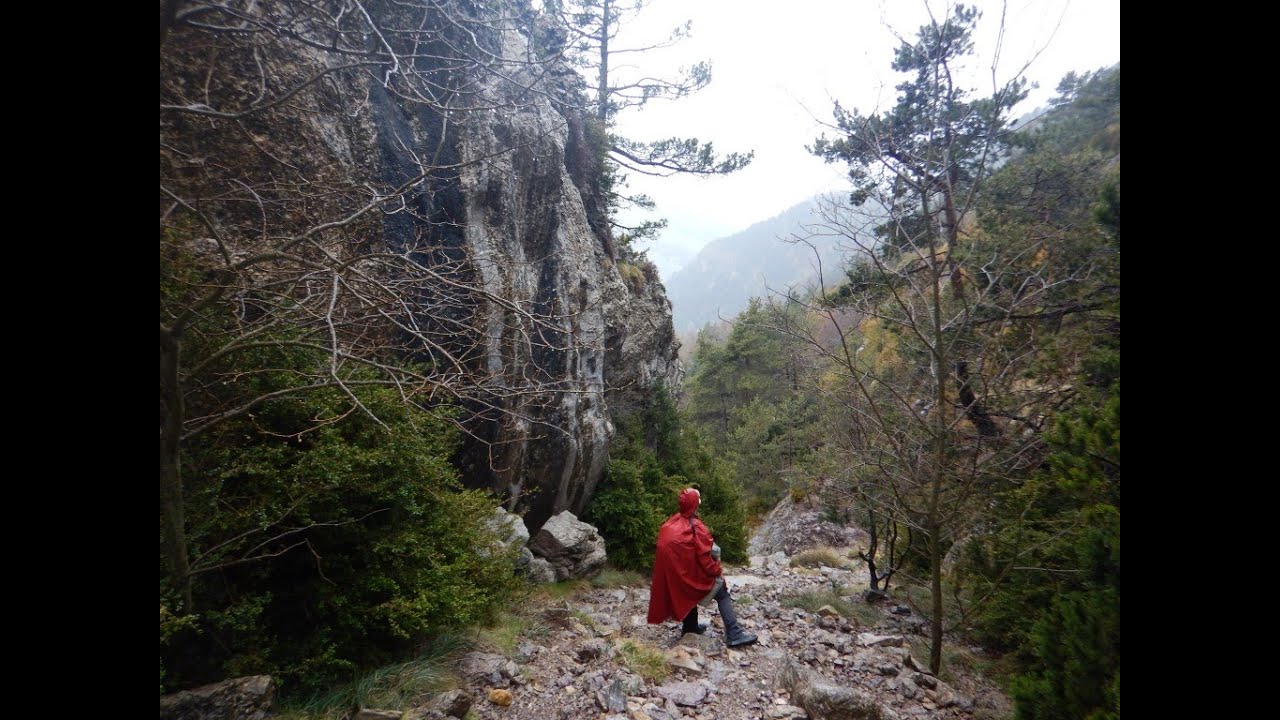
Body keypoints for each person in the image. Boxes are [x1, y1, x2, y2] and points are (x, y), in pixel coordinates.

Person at [647, 488, 758, 647]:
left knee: (687, 591)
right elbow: (705, 558)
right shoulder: (696, 527)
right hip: (690, 576)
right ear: (694, 505)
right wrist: (717, 571)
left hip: (677, 577)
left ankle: (690, 626)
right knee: (722, 593)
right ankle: (734, 634)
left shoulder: (670, 524)